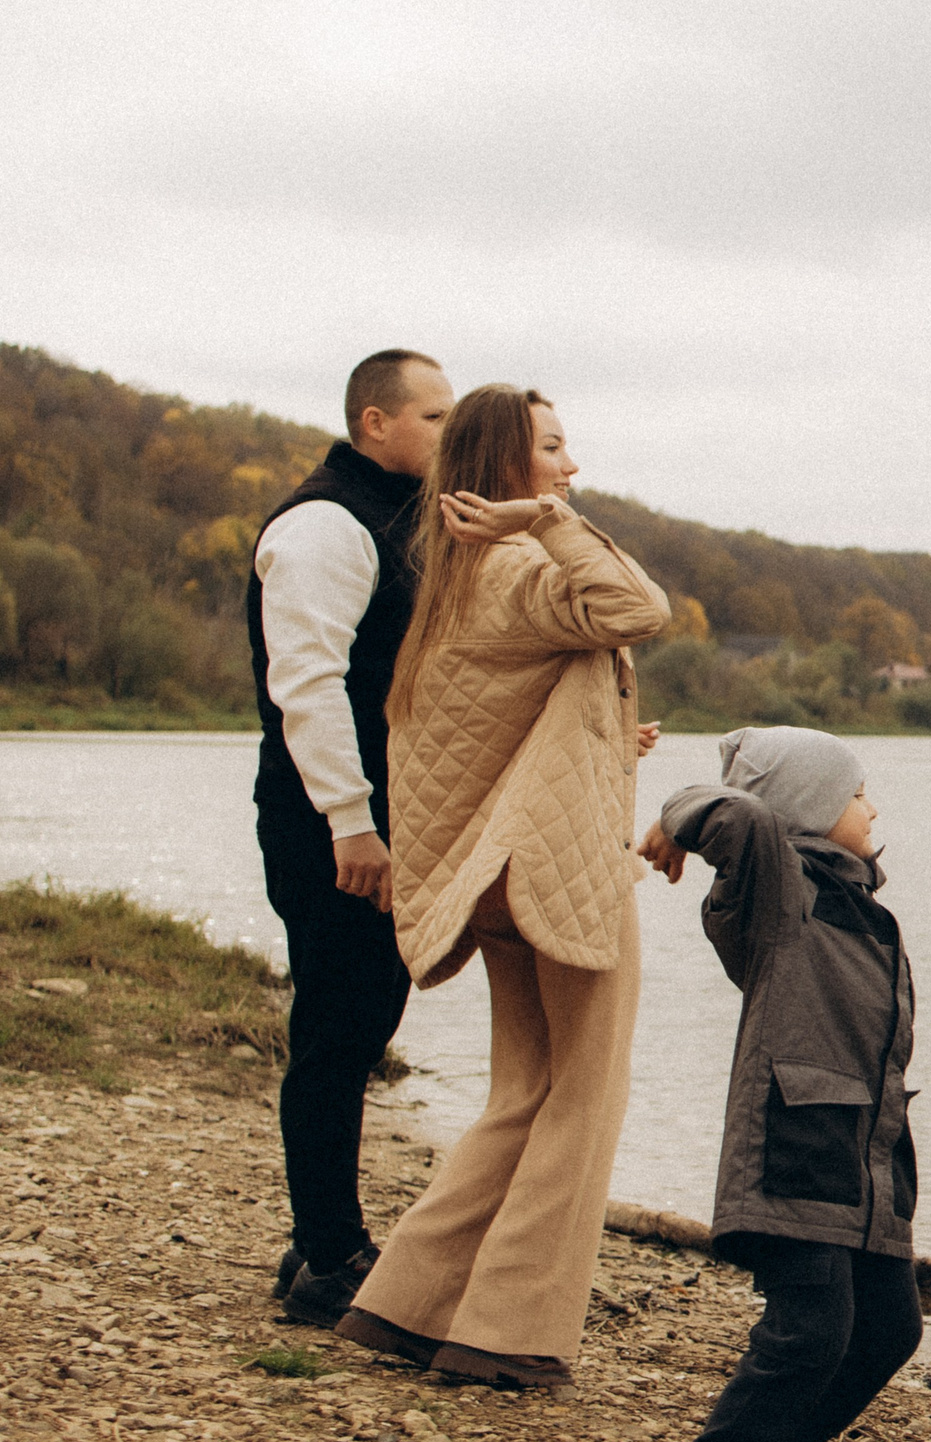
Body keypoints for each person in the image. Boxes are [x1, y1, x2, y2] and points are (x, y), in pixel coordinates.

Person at [331, 383, 669, 1389]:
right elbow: (639, 608)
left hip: (501, 872)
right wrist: (552, 523)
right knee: (583, 1095)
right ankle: (508, 1332)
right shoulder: (522, 565)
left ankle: (404, 1304)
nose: (570, 469)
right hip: (552, 872)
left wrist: (612, 735)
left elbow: (485, 728)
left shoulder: (455, 579)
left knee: (524, 1090)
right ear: (507, 471)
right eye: (553, 452)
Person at [630, 727, 924, 1442]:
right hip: (793, 1150)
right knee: (810, 1331)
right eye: (856, 790)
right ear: (803, 809)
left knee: (890, 1328)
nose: (871, 805)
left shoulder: (859, 904)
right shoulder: (777, 893)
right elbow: (727, 812)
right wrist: (675, 822)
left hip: (863, 1163)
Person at [251, 349, 455, 1327]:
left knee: (361, 1017)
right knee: (339, 1028)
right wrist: (352, 822)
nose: (447, 434)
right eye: (433, 417)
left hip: (368, 819)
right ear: (374, 422)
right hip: (329, 823)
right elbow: (309, 684)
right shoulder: (326, 523)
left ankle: (317, 1238)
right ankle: (331, 1253)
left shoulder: (395, 520)